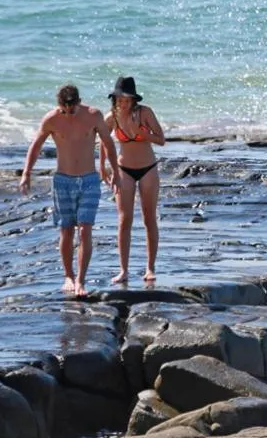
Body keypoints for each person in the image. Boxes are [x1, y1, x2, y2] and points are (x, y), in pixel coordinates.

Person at [20, 84, 120, 298]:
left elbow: (109, 144)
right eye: (64, 110)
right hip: (62, 180)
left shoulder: (93, 115)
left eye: (71, 109)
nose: (68, 113)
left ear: (78, 102)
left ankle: (81, 281)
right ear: (59, 105)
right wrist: (26, 173)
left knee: (85, 228)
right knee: (66, 229)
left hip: (89, 180)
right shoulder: (51, 119)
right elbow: (36, 145)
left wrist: (116, 173)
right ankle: (68, 275)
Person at [100, 76, 165, 284]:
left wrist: (143, 135)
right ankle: (124, 270)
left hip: (148, 169)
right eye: (120, 99)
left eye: (127, 100)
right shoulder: (111, 117)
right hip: (123, 170)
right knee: (124, 220)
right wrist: (103, 167)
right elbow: (104, 142)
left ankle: (150, 268)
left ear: (134, 100)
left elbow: (161, 139)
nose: (123, 103)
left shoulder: (144, 113)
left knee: (148, 219)